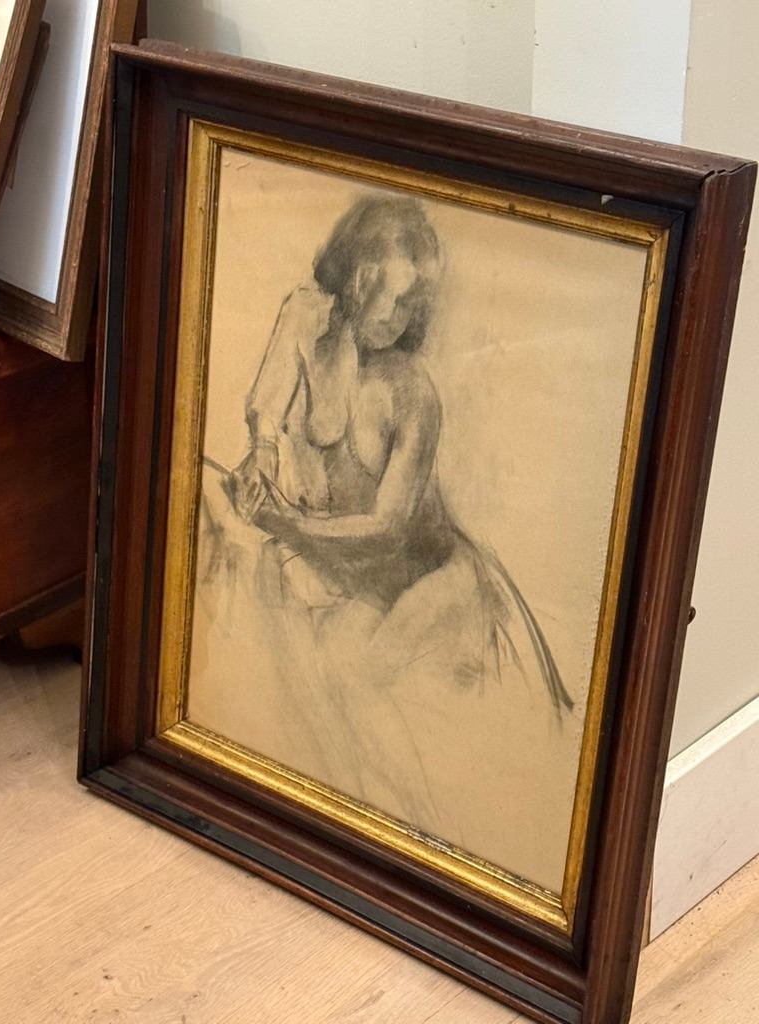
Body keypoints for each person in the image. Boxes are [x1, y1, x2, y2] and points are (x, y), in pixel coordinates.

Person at [197, 194, 573, 867]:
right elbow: (265, 410)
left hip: (426, 577)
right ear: (356, 274)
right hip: (348, 571)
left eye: (409, 306)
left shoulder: (411, 393)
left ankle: (429, 851)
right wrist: (262, 453)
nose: (393, 319)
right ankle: (335, 839)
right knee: (306, 667)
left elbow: (387, 531)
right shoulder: (304, 317)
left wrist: (288, 525)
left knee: (354, 675)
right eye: (386, 297)